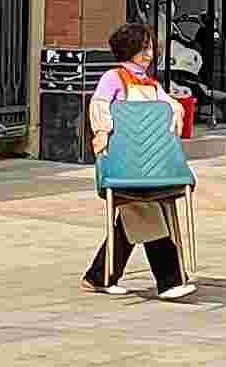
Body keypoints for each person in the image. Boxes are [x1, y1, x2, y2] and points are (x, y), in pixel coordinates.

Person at [83, 18, 199, 301]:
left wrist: (175, 111)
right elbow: (99, 107)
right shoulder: (113, 78)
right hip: (123, 162)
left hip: (152, 164)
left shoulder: (151, 83)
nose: (149, 54)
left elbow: (170, 109)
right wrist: (102, 135)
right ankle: (169, 281)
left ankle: (99, 276)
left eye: (150, 48)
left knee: (134, 215)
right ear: (128, 48)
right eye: (143, 48)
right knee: (145, 211)